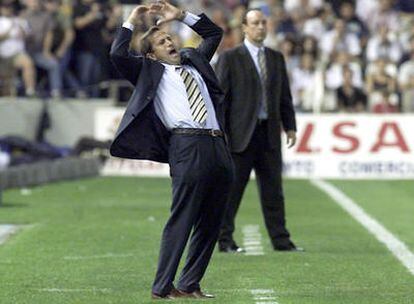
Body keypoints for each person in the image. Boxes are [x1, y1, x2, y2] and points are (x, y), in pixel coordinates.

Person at [109, 2, 233, 300]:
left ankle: (190, 284)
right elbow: (117, 54)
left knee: (212, 221)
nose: (170, 42)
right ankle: (161, 287)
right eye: (162, 42)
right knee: (182, 218)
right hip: (186, 145)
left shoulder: (194, 61)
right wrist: (131, 20)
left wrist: (181, 15)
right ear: (152, 54)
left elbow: (214, 34)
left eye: (170, 38)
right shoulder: (148, 71)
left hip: (217, 143)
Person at [215, 9, 302, 253]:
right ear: (244, 27)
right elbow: (221, 99)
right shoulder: (230, 57)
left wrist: (290, 125)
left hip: (269, 133)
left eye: (263, 23)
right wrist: (221, 133)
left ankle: (281, 241)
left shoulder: (276, 58)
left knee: (274, 191)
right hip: (240, 136)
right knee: (232, 192)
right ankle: (224, 240)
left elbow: (284, 95)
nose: (260, 27)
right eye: (255, 23)